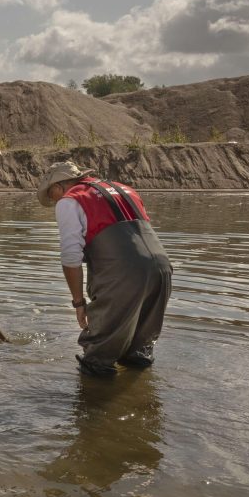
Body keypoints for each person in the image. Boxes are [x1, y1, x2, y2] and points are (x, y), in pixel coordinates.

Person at [36, 161, 172, 376]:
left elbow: (71, 257)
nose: (54, 202)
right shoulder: (125, 189)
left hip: (124, 274)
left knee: (98, 360)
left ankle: (94, 405)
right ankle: (140, 397)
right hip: (162, 271)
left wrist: (79, 303)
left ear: (59, 186)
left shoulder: (70, 200)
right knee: (139, 352)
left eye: (51, 195)